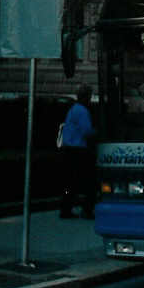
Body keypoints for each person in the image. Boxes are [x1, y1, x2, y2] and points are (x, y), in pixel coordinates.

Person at [60, 83, 96, 219]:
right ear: (87, 96)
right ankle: (87, 210)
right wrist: (97, 132)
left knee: (70, 182)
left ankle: (66, 208)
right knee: (89, 182)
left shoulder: (73, 109)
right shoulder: (83, 111)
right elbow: (87, 131)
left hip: (68, 149)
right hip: (79, 150)